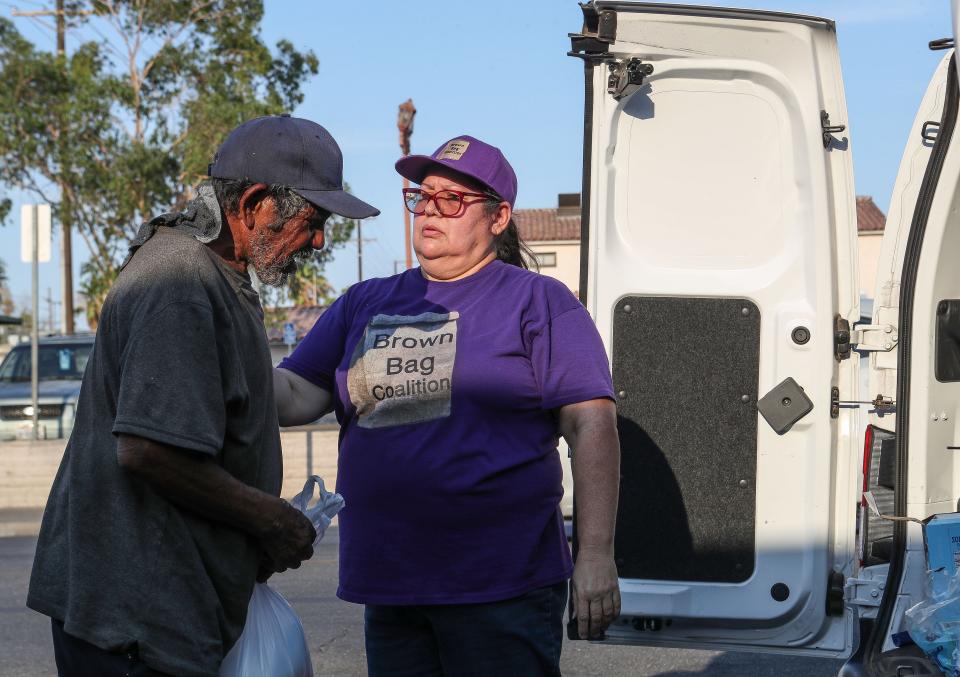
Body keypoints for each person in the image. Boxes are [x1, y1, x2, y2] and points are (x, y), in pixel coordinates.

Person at [27, 114, 379, 677]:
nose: (317, 240)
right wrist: (274, 522)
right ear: (257, 203)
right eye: (313, 221)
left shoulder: (222, 278)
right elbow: (150, 452)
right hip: (134, 621)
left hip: (162, 611)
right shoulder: (182, 283)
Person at [274, 134, 621, 675]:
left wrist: (596, 554)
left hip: (501, 586)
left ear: (499, 216)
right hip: (391, 583)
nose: (430, 210)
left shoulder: (539, 301)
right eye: (423, 196)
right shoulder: (365, 302)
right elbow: (294, 395)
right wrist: (224, 341)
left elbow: (591, 423)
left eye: (452, 200)